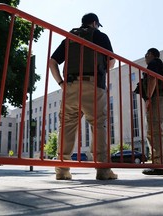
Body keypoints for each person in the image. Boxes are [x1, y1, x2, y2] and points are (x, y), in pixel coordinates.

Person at [49, 13, 117, 180]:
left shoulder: (69, 38)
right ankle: (102, 170)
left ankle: (62, 170)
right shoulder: (100, 35)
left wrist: (61, 83)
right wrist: (102, 72)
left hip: (71, 86)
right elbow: (111, 61)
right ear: (95, 23)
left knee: (66, 126)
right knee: (98, 125)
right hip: (93, 84)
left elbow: (52, 62)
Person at [142, 48, 163, 175]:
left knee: (154, 131)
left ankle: (158, 165)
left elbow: (152, 79)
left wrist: (148, 97)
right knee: (162, 132)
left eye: (146, 55)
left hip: (156, 98)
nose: (145, 57)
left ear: (151, 54)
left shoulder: (153, 63)